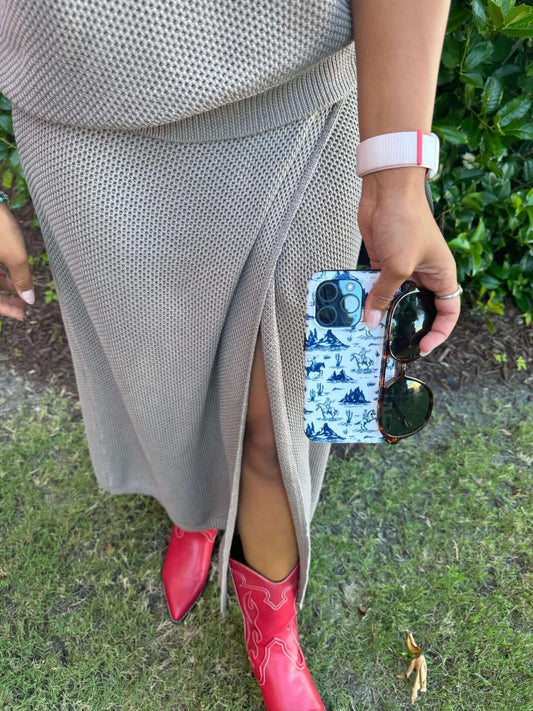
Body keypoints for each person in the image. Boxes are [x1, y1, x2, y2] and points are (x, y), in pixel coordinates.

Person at [0, 1, 460, 709]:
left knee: (288, 415)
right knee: (157, 380)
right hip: (80, 126)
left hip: (304, 101)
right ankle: (194, 506)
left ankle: (272, 624)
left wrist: (399, 172)